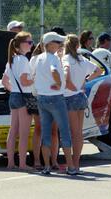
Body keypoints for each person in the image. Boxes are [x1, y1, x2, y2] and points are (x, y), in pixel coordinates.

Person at [34, 32, 76, 175]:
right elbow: (54, 71)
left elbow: (31, 75)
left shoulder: (37, 58)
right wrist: (58, 84)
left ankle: (46, 167)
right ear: (50, 44)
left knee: (45, 133)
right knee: (64, 132)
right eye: (57, 43)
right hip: (56, 98)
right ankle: (71, 167)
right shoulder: (54, 58)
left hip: (41, 98)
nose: (60, 45)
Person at [62, 34, 102, 173]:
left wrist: (72, 85)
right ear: (78, 45)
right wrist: (86, 80)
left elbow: (65, 77)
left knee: (69, 133)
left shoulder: (64, 59)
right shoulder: (82, 59)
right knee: (78, 133)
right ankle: (76, 163)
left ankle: (71, 165)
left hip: (69, 97)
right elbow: (99, 70)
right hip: (80, 96)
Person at [2, 31, 34, 170]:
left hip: (14, 96)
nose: (31, 45)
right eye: (29, 42)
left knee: (13, 130)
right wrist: (36, 79)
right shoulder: (24, 60)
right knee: (24, 132)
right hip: (23, 97)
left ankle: (11, 163)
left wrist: (14, 89)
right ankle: (22, 164)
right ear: (21, 45)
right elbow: (25, 81)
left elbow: (4, 81)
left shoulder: (11, 60)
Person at [29, 40, 60, 170]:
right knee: (39, 129)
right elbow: (30, 77)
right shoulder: (35, 59)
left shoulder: (56, 58)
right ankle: (37, 160)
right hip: (38, 96)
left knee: (53, 130)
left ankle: (54, 161)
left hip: (53, 95)